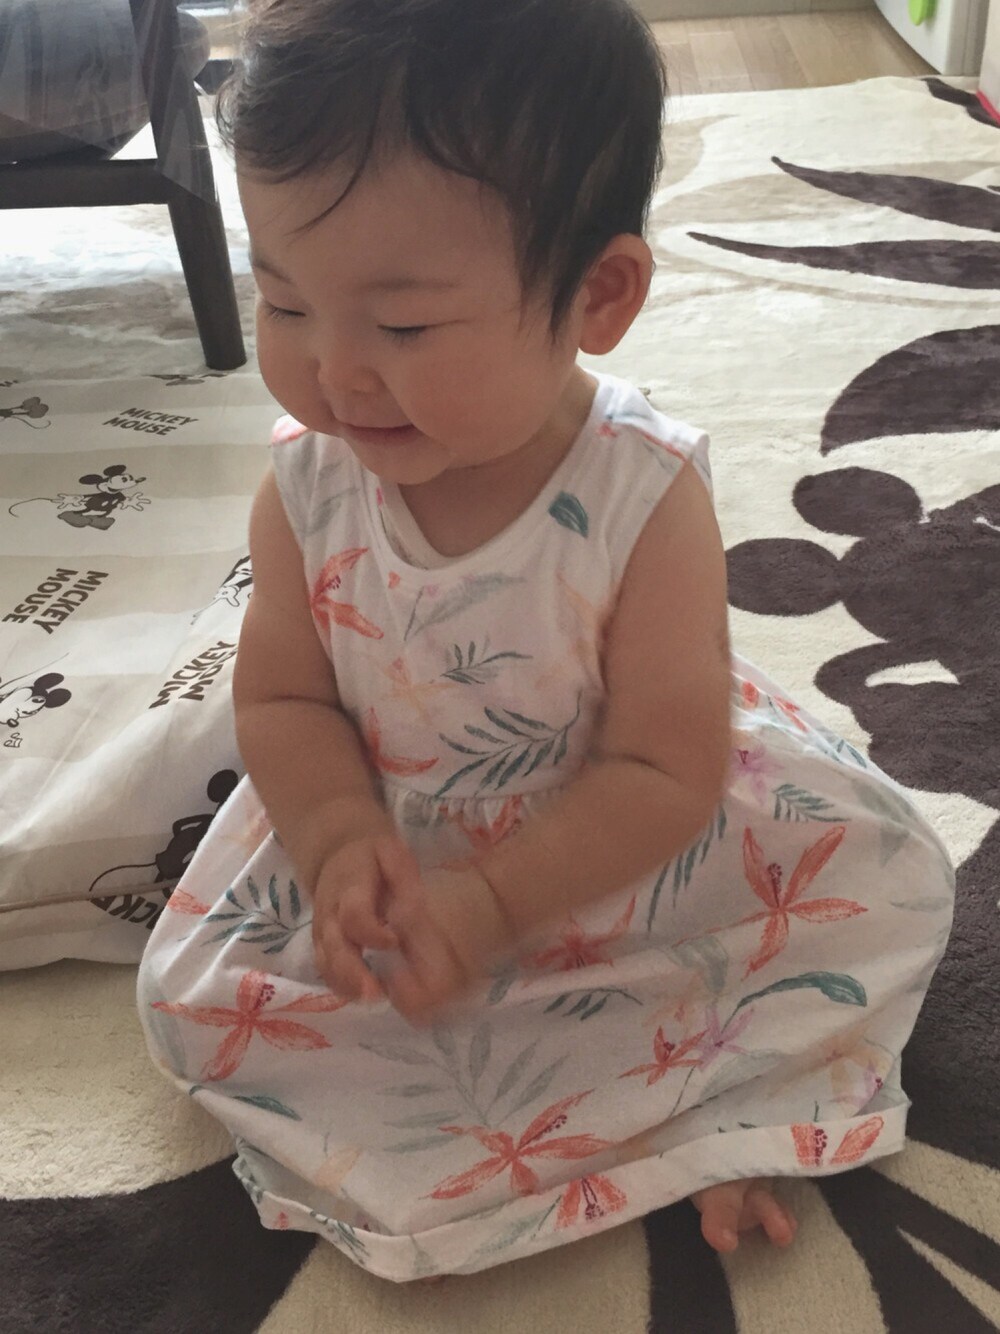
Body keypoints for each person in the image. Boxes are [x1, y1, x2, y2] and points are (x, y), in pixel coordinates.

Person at [137, 0, 955, 1282]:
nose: (334, 372)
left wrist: (499, 902)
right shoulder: (310, 484)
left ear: (597, 295)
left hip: (624, 852)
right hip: (398, 839)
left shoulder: (640, 491)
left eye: (403, 326)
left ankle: (716, 1112)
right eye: (285, 302)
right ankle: (604, 1106)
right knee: (194, 997)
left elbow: (664, 768)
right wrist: (338, 837)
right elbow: (288, 700)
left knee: (879, 895)